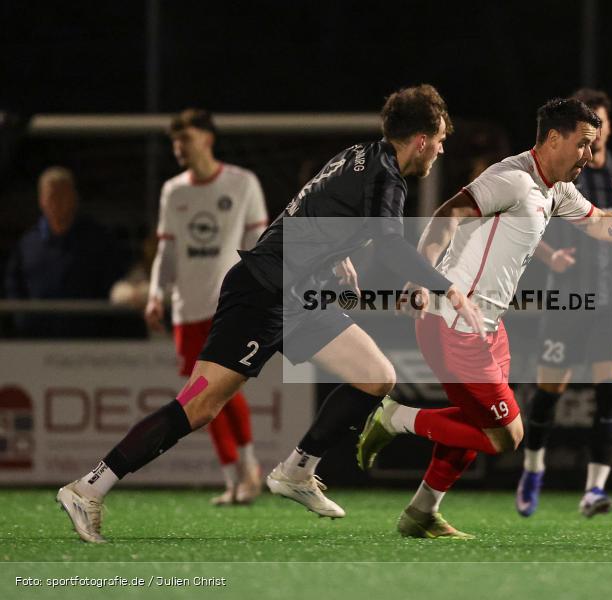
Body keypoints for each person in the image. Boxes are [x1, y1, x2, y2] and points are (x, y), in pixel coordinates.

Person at [56, 84, 486, 543]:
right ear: (420, 139)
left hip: (298, 294)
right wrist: (447, 286)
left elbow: (313, 207)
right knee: (200, 405)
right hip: (263, 292)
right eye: (439, 139)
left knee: (376, 375)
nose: (442, 148)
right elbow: (389, 243)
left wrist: (334, 256)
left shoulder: (360, 155)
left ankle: (296, 471)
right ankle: (89, 488)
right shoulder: (385, 176)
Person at [356, 97, 612, 538]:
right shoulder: (513, 179)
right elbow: (449, 214)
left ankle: (421, 512)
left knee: (478, 423)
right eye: (581, 144)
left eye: (593, 145)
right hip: (453, 324)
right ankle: (396, 418)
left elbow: (600, 222)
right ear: (553, 138)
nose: (588, 155)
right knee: (505, 436)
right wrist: (422, 276)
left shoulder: (555, 187)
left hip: (489, 325)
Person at [516, 89, 612, 519]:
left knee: (610, 393)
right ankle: (532, 470)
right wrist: (549, 257)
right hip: (568, 299)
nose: (593, 136)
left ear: (609, 128)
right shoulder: (563, 173)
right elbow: (529, 224)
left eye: (599, 125)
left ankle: (594, 491)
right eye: (586, 128)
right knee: (550, 391)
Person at [143, 109, 269, 505]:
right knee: (198, 396)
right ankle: (233, 479)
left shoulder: (242, 182)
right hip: (186, 309)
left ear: (208, 139)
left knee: (224, 391)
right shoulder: (173, 191)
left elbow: (260, 241)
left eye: (187, 138)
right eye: (175, 141)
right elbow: (167, 248)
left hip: (228, 306)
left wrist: (261, 290)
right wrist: (154, 294)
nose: (179, 147)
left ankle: (249, 470)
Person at [4, 167, 128, 337]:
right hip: (36, 341)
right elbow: (14, 286)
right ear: (42, 201)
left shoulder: (97, 241)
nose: (57, 202)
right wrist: (23, 319)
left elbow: (113, 282)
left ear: (74, 198)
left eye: (63, 195)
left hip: (88, 342)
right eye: (52, 196)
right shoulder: (27, 245)